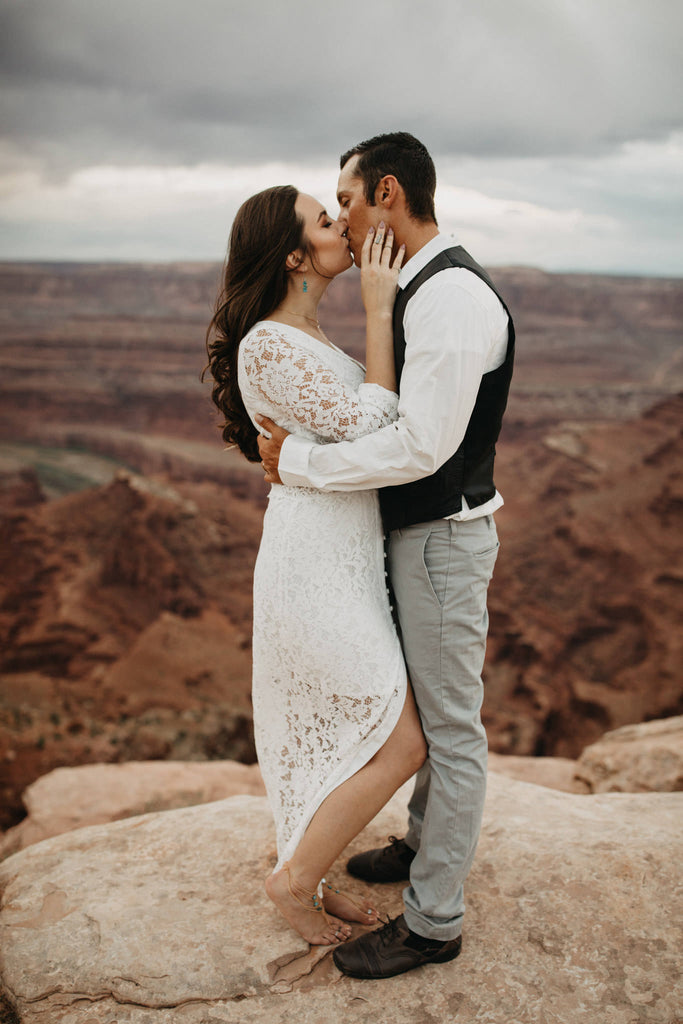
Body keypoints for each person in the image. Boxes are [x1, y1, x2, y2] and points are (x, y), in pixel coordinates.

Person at [257, 132, 515, 979]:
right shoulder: (410, 286)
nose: (339, 213)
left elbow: (420, 448)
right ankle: (420, 844)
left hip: (441, 539)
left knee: (446, 727)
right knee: (427, 713)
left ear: (389, 194)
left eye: (348, 197)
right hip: (406, 542)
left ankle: (433, 920)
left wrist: (298, 463)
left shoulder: (448, 299)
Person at [204, 184, 427, 948]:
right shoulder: (267, 342)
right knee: (401, 740)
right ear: (296, 256)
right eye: (328, 222)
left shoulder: (309, 340)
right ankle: (292, 882)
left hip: (345, 560)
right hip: (313, 566)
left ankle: (309, 865)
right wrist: (377, 308)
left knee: (347, 723)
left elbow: (355, 432)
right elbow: (370, 425)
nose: (346, 228)